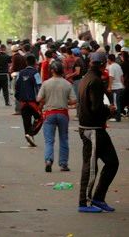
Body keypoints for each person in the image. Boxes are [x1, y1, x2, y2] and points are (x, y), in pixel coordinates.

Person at [77, 52, 119, 213]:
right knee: (91, 166)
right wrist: (109, 109)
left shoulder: (86, 78)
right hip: (92, 129)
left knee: (112, 163)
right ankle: (84, 202)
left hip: (93, 128)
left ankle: (98, 198)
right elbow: (96, 107)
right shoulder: (95, 81)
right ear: (103, 65)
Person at [37, 61, 76, 172]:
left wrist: (47, 100)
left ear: (52, 70)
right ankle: (63, 164)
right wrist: (65, 102)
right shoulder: (67, 84)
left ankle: (49, 160)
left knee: (49, 141)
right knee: (64, 139)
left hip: (49, 114)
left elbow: (38, 99)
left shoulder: (46, 83)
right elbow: (74, 100)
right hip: (63, 114)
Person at [15, 54, 42, 147]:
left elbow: (16, 86)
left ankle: (29, 138)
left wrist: (18, 97)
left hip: (22, 101)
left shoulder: (20, 73)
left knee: (26, 121)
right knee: (40, 118)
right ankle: (31, 134)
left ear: (26, 62)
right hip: (32, 101)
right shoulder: (36, 73)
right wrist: (40, 100)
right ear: (35, 62)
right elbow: (39, 86)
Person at [106, 54, 125, 122]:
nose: (107, 60)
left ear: (109, 59)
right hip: (120, 86)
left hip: (115, 87)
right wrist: (123, 85)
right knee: (117, 102)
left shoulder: (111, 67)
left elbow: (111, 77)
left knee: (116, 102)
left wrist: (109, 86)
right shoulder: (118, 65)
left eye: (107, 59)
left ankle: (117, 118)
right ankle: (117, 116)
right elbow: (121, 76)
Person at [10, 44, 26, 115]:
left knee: (16, 92)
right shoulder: (22, 57)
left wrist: (10, 71)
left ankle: (18, 110)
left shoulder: (14, 57)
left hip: (16, 75)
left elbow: (13, 67)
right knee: (21, 92)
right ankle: (22, 108)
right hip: (22, 75)